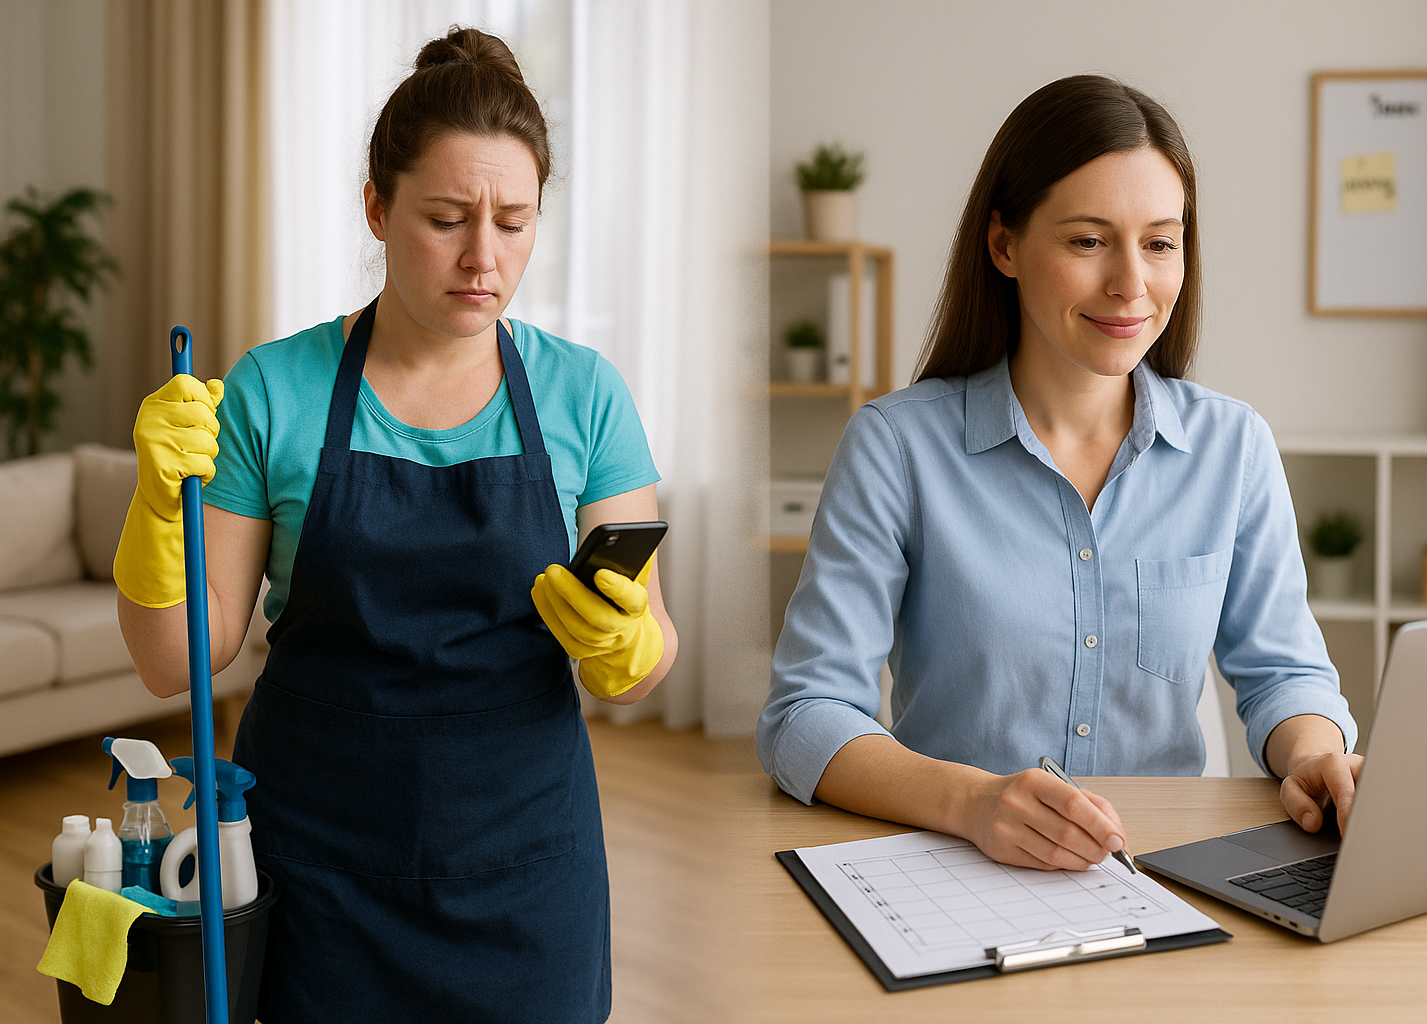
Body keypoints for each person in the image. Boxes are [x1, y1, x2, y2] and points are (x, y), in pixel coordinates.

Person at [113, 27, 675, 1023]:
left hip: (526, 856)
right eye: (448, 218)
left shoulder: (585, 394)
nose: (483, 257)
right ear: (376, 207)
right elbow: (176, 664)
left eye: (514, 220)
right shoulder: (273, 389)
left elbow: (646, 644)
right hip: (317, 853)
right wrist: (158, 509)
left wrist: (631, 644)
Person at [757, 75, 1361, 875]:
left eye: (1159, 242)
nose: (1131, 284)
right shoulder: (896, 447)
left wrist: (1314, 753)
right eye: (1087, 241)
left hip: (1164, 876)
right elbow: (804, 716)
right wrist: (971, 802)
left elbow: (1284, 673)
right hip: (954, 872)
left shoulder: (1233, 447)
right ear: (1004, 245)